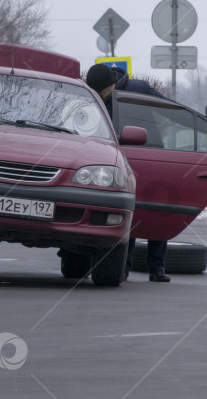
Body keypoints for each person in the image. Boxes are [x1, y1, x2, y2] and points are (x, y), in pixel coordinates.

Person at [85, 63, 171, 283]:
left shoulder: (138, 89)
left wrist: (204, 124)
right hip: (120, 157)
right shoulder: (95, 97)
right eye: (95, 92)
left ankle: (157, 267)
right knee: (127, 209)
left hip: (152, 154)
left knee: (156, 207)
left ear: (112, 84)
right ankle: (123, 268)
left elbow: (170, 109)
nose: (100, 97)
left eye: (102, 92)